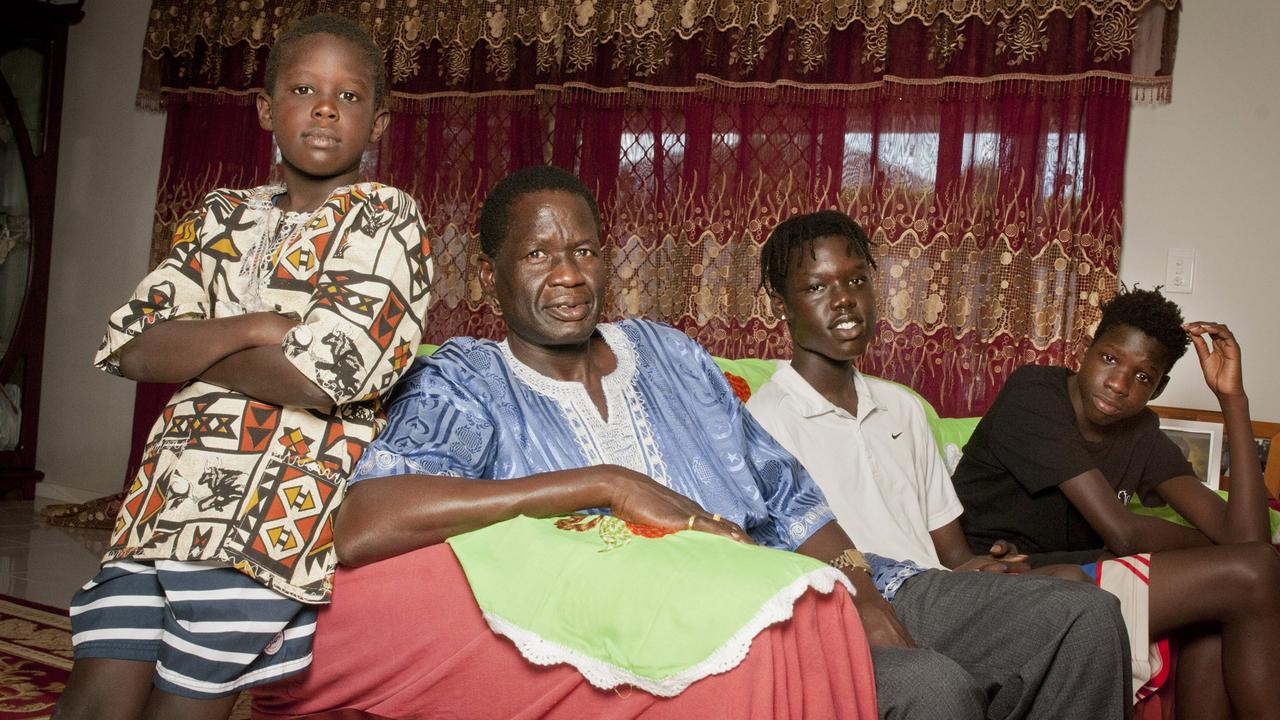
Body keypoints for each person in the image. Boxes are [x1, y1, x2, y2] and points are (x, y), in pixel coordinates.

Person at [253, 167, 1131, 720]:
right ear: (490, 275)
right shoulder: (467, 382)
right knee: (930, 689)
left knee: (1080, 621)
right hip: (718, 628)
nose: (568, 274)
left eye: (586, 251)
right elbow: (364, 519)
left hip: (821, 580)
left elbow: (785, 493)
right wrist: (596, 481)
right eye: (539, 256)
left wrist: (859, 590)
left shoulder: (670, 354)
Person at [55, 15, 431, 720]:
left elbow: (323, 378)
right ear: (266, 108)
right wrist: (261, 328)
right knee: (91, 702)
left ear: (377, 123)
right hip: (160, 506)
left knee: (185, 706)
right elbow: (131, 346)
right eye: (302, 89)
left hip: (265, 516)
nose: (325, 108)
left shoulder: (387, 221)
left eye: (348, 97)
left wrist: (195, 353)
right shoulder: (222, 216)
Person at [746, 210, 1121, 719]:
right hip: (854, 605)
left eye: (856, 280)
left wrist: (986, 568)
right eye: (817, 287)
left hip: (931, 591)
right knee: (1076, 618)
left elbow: (952, 553)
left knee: (1085, 600)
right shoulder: (763, 421)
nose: (844, 300)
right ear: (780, 306)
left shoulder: (901, 407)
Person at [952, 287, 1280, 719]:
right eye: (1110, 358)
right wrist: (1212, 547)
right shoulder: (1034, 394)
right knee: (1247, 573)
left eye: (1142, 377)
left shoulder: (1140, 432)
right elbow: (1122, 532)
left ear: (1158, 387)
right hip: (990, 584)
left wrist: (1233, 402)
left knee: (1221, 610)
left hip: (1074, 574)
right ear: (1087, 350)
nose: (1119, 384)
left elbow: (1249, 541)